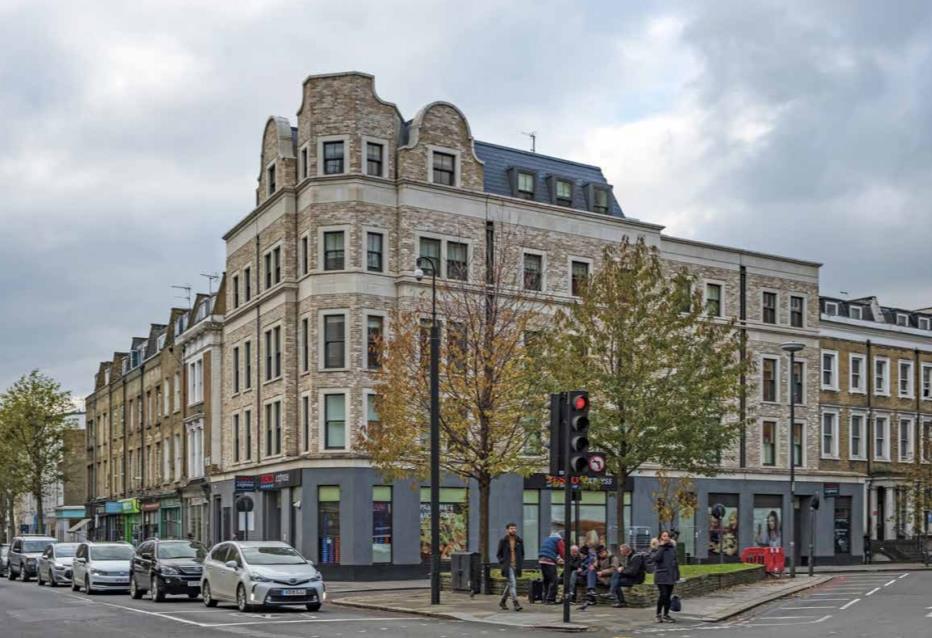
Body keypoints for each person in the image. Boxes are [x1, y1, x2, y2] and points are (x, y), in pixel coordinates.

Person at [651, 530, 680, 623]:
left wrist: (677, 575)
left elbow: (675, 562)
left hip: (671, 575)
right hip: (661, 575)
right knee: (663, 594)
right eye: (664, 536)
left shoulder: (672, 548)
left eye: (667, 536)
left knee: (668, 596)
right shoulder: (656, 548)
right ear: (660, 538)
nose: (666, 538)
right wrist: (662, 547)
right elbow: (656, 558)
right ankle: (658, 614)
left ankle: (666, 614)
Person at [495, 522, 524, 611]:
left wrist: (520, 562)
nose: (513, 530)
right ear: (507, 530)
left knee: (510, 584)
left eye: (514, 528)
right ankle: (516, 603)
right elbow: (498, 554)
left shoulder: (519, 541)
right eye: (511, 528)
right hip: (508, 566)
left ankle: (502, 601)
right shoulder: (503, 541)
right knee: (513, 584)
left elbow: (522, 553)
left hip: (516, 565)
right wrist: (503, 562)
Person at [538, 531, 565, 604]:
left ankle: (544, 598)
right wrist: (566, 560)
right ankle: (550, 599)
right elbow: (563, 552)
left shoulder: (548, 539)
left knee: (546, 580)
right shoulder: (558, 540)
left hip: (541, 560)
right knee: (554, 580)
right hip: (549, 561)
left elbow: (549, 550)